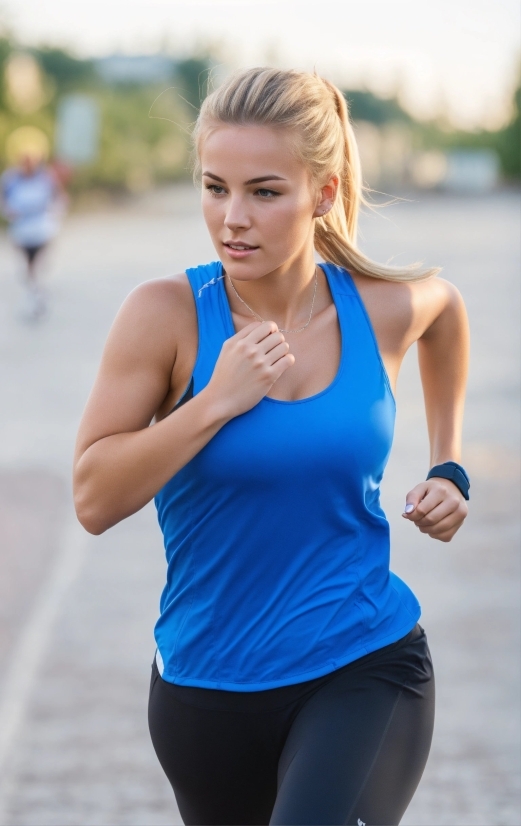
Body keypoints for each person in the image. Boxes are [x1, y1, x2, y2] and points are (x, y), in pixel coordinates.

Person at [73, 68, 470, 825]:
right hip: (204, 690)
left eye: (263, 191)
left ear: (320, 193)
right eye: (214, 187)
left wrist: (448, 465)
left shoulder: (375, 308)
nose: (231, 219)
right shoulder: (166, 315)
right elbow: (93, 498)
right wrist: (212, 404)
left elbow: (444, 310)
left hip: (362, 660)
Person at [1, 127, 65, 321]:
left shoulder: (47, 178)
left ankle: (37, 297)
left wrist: (55, 212)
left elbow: (59, 199)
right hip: (21, 231)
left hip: (42, 229)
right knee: (28, 268)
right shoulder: (10, 179)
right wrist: (9, 212)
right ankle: (36, 295)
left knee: (37, 266)